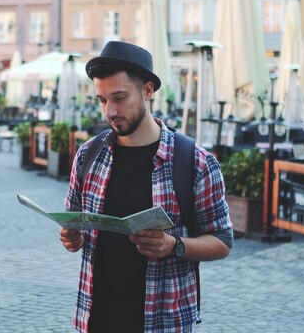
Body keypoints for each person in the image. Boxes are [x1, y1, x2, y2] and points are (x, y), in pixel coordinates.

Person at [60, 41, 233, 332]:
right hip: (96, 316)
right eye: (102, 100)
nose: (109, 111)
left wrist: (174, 246)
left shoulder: (195, 162)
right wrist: (70, 237)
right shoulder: (88, 156)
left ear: (148, 90)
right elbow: (72, 224)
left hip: (163, 321)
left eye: (119, 97)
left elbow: (222, 241)